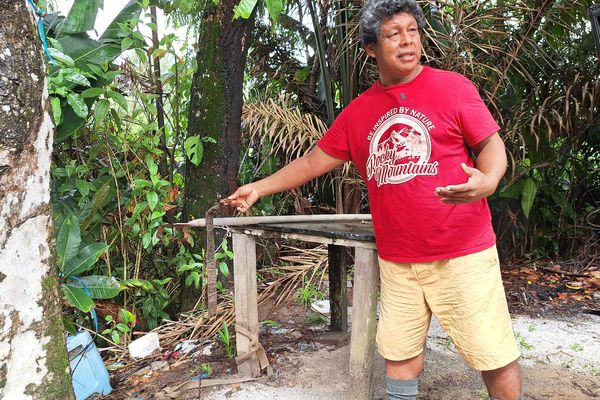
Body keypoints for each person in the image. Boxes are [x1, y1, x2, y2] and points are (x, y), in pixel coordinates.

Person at [224, 0, 522, 399]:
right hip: (398, 257)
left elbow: (491, 145)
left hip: (461, 250)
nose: (406, 41)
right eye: (393, 34)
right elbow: (314, 160)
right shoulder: (359, 113)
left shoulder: (452, 88)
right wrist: (259, 187)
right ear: (371, 48)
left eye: (412, 30)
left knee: (493, 353)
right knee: (399, 356)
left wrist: (488, 180)